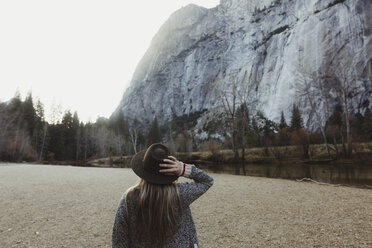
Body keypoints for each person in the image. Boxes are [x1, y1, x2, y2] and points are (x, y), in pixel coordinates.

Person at [112, 143, 214, 248]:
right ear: (170, 169)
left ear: (143, 171)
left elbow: (119, 240)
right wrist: (183, 169)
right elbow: (207, 181)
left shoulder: (129, 198)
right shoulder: (180, 194)